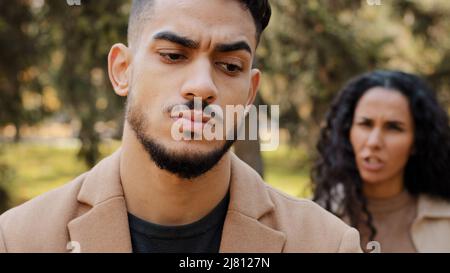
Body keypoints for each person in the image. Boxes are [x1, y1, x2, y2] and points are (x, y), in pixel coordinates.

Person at [0, 0, 361, 253]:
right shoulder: (18, 241)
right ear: (122, 70)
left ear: (250, 92)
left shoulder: (327, 244)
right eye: (174, 55)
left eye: (230, 66)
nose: (202, 86)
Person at [312, 70, 450, 253]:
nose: (374, 141)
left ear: (417, 141)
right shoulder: (315, 216)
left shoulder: (445, 221)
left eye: (394, 128)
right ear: (348, 131)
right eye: (365, 124)